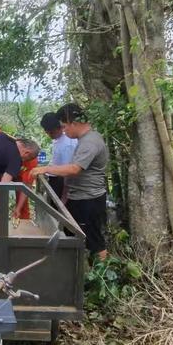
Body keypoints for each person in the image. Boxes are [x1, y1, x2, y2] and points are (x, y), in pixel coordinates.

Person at [30, 104, 109, 261]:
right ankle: (81, 270)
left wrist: (46, 169)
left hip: (88, 199)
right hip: (80, 197)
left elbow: (74, 169)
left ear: (74, 122)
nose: (64, 131)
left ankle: (101, 277)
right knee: (77, 235)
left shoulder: (90, 142)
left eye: (65, 126)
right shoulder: (84, 140)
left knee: (94, 240)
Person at [0, 126, 38, 220]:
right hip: (2, 174)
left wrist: (18, 209)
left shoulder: (31, 160)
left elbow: (26, 186)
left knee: (22, 206)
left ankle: (22, 224)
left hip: (20, 178)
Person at [40, 112, 77, 200]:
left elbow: (68, 173)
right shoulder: (58, 139)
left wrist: (64, 196)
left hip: (61, 182)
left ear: (59, 128)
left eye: (51, 132)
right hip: (55, 179)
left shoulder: (67, 144)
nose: (48, 134)